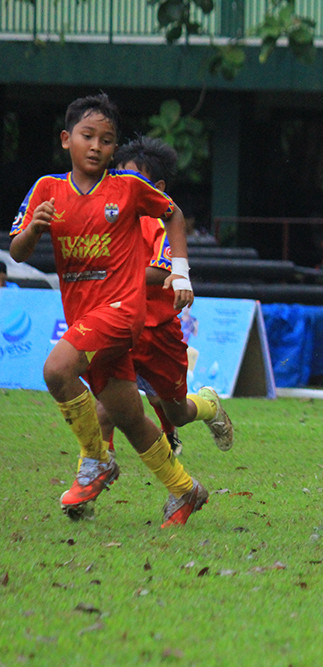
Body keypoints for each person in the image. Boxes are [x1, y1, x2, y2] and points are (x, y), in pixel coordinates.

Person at [8, 93, 207, 527]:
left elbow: (173, 216)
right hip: (85, 315)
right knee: (129, 417)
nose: (96, 145)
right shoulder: (47, 189)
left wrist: (182, 273)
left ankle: (96, 461)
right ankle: (184, 490)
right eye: (88, 136)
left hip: (122, 310)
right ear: (67, 140)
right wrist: (34, 229)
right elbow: (18, 252)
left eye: (107, 139)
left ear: (115, 149)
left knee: (57, 370)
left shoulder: (129, 187)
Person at [94, 135, 234, 458]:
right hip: (119, 325)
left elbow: (162, 270)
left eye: (131, 178)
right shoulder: (108, 218)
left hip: (158, 334)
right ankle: (100, 461)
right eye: (118, 176)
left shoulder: (157, 222)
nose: (121, 184)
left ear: (155, 186)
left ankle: (208, 405)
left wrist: (116, 278)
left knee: (177, 412)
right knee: (105, 402)